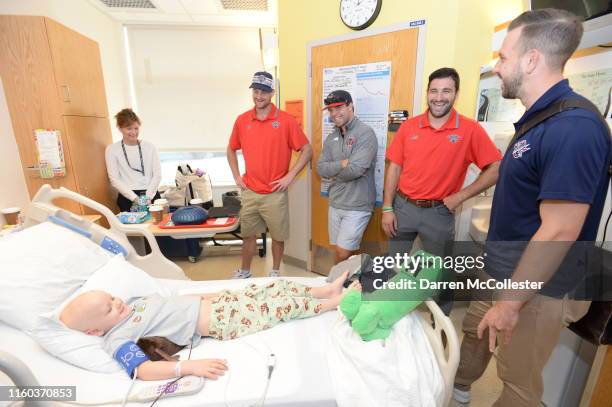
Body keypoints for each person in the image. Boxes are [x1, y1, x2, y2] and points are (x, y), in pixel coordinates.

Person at [452, 9, 611, 407]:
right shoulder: (538, 120)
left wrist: (510, 302)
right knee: (474, 335)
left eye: (503, 56)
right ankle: (456, 391)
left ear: (532, 59)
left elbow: (559, 229)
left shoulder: (573, 127)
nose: (496, 66)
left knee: (518, 382)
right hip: (501, 268)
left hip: (539, 288)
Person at [60, 272, 360, 380]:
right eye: (109, 308)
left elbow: (178, 300)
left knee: (273, 287)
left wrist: (220, 293)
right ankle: (336, 302)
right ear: (95, 331)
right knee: (280, 307)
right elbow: (143, 370)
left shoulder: (133, 303)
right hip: (219, 320)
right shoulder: (117, 338)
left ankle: (325, 290)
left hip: (218, 302)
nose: (117, 302)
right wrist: (190, 367)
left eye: (112, 297)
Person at [382, 67, 502, 314]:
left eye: (446, 91)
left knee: (439, 275)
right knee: (394, 268)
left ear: (456, 93)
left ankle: (441, 329)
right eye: (434, 91)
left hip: (438, 213)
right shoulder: (409, 127)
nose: (439, 97)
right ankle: (393, 317)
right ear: (427, 93)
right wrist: (387, 207)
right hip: (402, 208)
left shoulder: (469, 130)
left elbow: (496, 168)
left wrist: (461, 196)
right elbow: (393, 168)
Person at [227, 71, 313, 278]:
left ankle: (275, 272)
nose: (259, 96)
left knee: (278, 236)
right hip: (250, 191)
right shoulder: (242, 120)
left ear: (272, 93)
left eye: (264, 92)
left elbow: (307, 149)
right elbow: (230, 149)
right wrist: (237, 177)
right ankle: (245, 271)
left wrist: (290, 176)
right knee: (248, 235)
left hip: (275, 193)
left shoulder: (285, 121)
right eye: (256, 91)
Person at [317, 90, 378, 264]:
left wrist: (334, 172)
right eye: (331, 110)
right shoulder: (331, 138)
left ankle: (336, 284)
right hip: (336, 202)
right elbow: (321, 169)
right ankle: (346, 287)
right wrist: (342, 164)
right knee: (340, 250)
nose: (334, 113)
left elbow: (356, 170)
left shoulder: (365, 133)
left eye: (339, 107)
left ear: (350, 106)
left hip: (357, 205)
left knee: (343, 253)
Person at [105, 108, 162, 212]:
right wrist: (135, 198)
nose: (134, 132)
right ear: (120, 128)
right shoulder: (112, 150)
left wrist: (148, 197)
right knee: (132, 228)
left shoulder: (150, 147)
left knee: (154, 227)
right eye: (129, 128)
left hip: (151, 194)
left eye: (136, 128)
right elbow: (114, 179)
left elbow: (157, 174)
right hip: (128, 198)